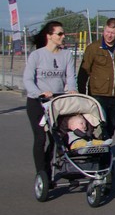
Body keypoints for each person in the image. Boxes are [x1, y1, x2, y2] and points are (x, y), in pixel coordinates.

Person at [23, 21, 76, 178]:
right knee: (40, 138)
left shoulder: (66, 55)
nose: (63, 36)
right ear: (49, 36)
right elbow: (27, 79)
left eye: (63, 33)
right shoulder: (37, 55)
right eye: (59, 34)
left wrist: (72, 89)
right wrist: (39, 93)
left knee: (56, 138)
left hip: (57, 102)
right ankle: (41, 173)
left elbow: (70, 77)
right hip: (38, 102)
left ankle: (48, 166)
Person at [79, 18, 115, 138]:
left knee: (112, 125)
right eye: (107, 32)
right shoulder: (93, 48)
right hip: (97, 94)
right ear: (103, 30)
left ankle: (105, 145)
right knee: (99, 125)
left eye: (113, 33)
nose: (109, 35)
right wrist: (82, 93)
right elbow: (83, 72)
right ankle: (99, 147)